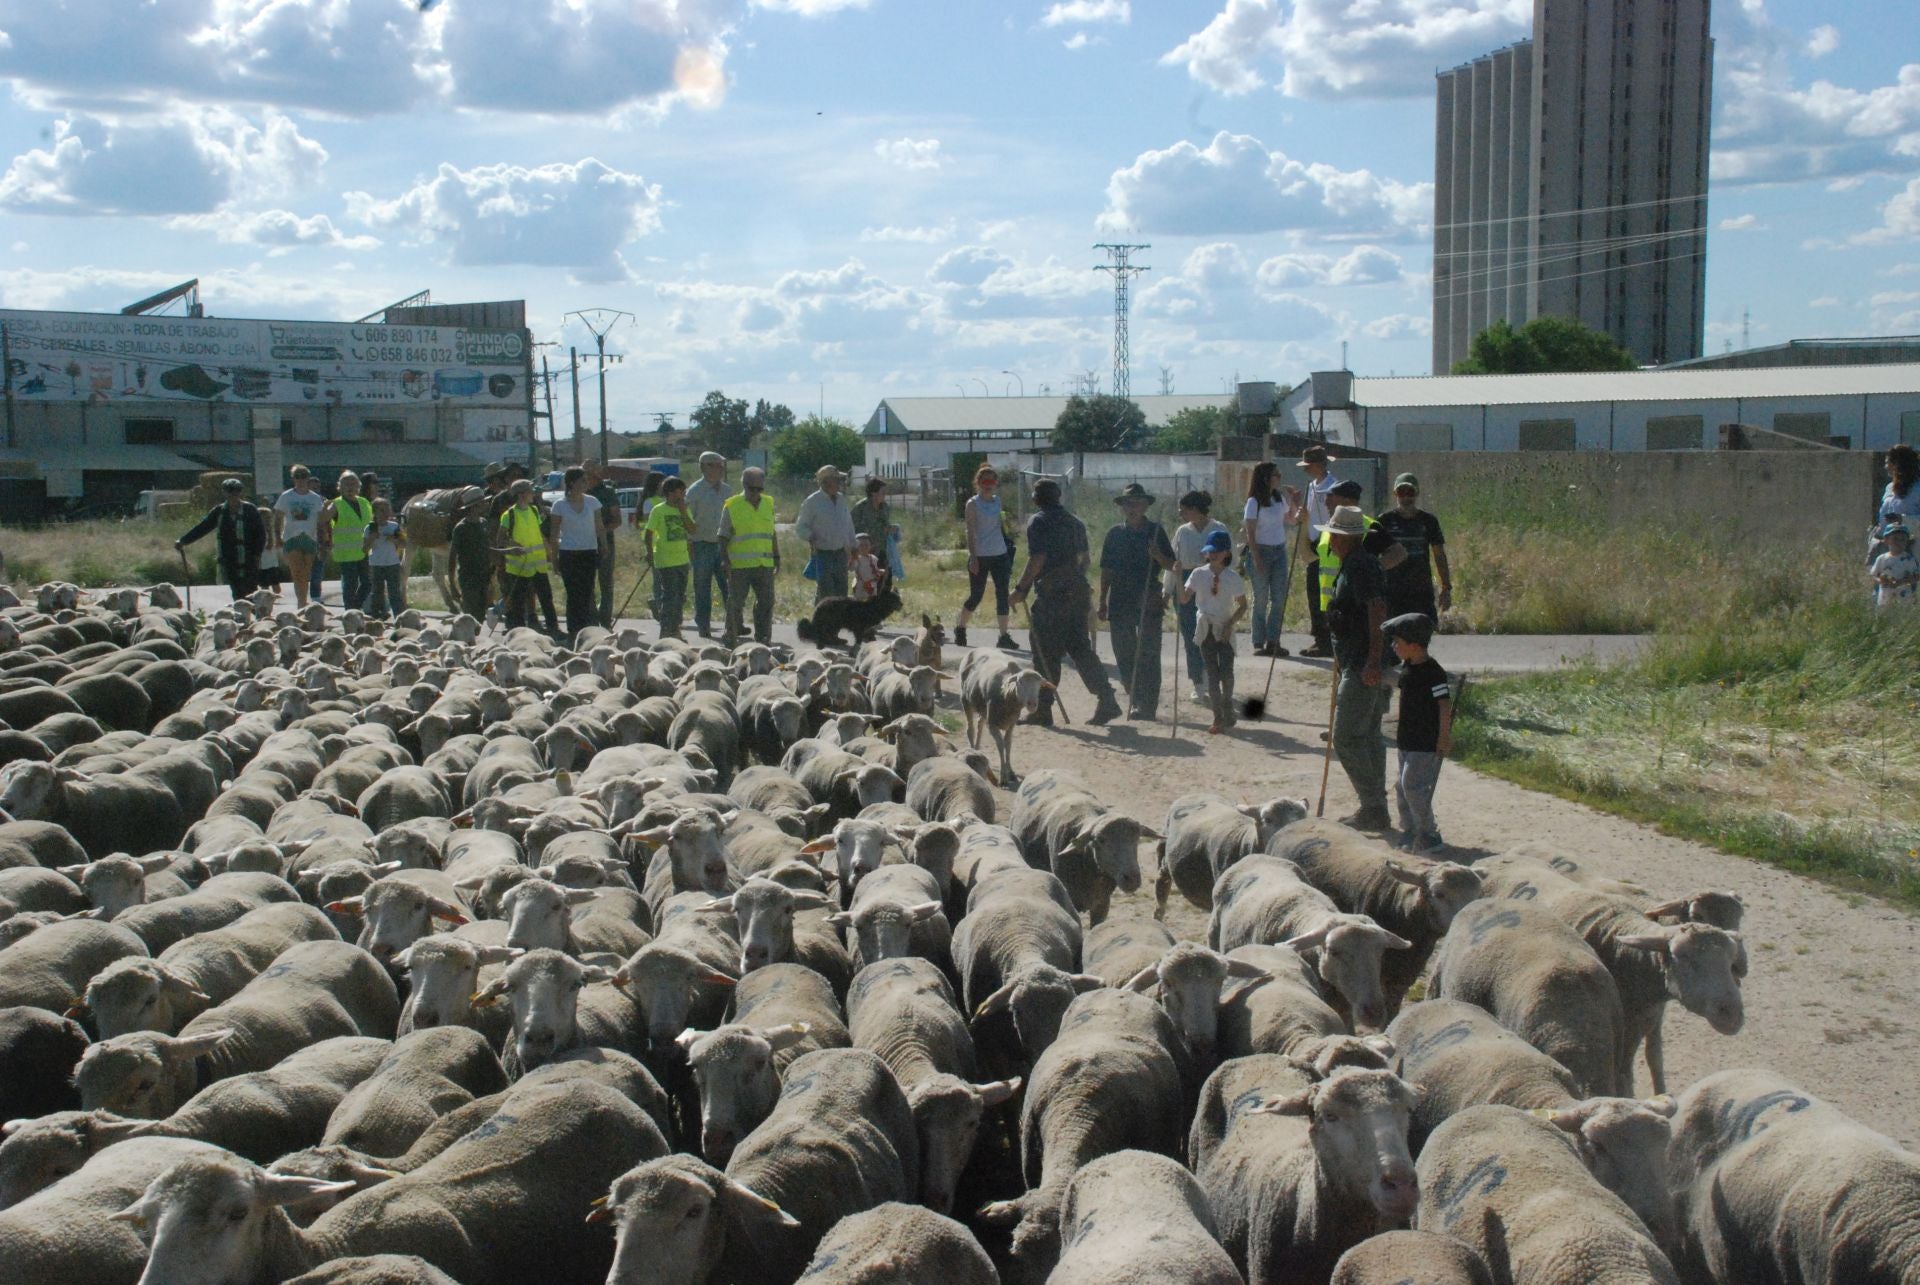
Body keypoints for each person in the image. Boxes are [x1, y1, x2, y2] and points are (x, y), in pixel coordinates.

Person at [1010, 478, 1124, 727]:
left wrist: (1021, 589)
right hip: (1077, 595)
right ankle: (1107, 699)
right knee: (1081, 649)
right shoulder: (1075, 522)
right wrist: (1075, 578)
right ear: (1059, 497)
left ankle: (1043, 709)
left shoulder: (1038, 521)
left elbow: (1038, 558)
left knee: (1045, 653)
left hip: (1053, 598)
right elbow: (1085, 559)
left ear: (1035, 499)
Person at [1325, 505, 1393, 832]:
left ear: (1345, 537)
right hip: (1358, 659)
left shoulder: (1361, 566)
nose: (1331, 540)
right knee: (1367, 735)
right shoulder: (1355, 564)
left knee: (1346, 738)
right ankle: (1375, 806)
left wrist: (1373, 660)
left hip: (1364, 664)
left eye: (1335, 535)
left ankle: (1373, 805)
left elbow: (1376, 609)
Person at [1099, 482, 1175, 721]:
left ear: (1145, 506)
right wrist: (1102, 599)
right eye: (1128, 503)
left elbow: (1172, 565)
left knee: (1149, 652)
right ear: (1122, 507)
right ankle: (1134, 698)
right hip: (1120, 597)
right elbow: (1107, 569)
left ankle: (1147, 705)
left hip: (1148, 596)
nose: (1133, 507)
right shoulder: (1114, 534)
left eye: (1138, 503)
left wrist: (1158, 555)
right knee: (1124, 652)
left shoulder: (1156, 531)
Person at [1384, 612, 1452, 853]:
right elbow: (1400, 684)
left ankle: (1429, 833)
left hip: (1425, 742)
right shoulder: (1408, 667)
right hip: (1406, 740)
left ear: (1413, 645)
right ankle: (1410, 829)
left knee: (1412, 785)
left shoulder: (1434, 672)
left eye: (1397, 643)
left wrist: (1443, 737)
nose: (1393, 647)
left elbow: (1444, 705)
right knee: (1402, 787)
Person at [1182, 529, 1247, 735]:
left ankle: (1227, 706)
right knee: (1212, 673)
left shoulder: (1233, 577)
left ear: (1227, 553)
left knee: (1226, 672)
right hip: (1205, 627)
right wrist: (1176, 576)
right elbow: (1184, 599)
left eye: (1218, 552)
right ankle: (1217, 717)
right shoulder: (1198, 574)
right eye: (1210, 552)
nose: (1213, 555)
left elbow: (1243, 605)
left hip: (1224, 627)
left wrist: (1230, 624)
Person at [1170, 490, 1229, 706]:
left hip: (1213, 583)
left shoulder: (1219, 529)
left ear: (1195, 509)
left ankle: (1212, 679)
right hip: (1187, 582)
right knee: (1191, 635)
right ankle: (1197, 683)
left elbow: (1229, 560)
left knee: (1212, 634)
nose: (1180, 513)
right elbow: (1174, 565)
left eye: (1184, 508)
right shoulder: (1182, 532)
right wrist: (1168, 591)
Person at [1243, 461, 1303, 658]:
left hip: (1279, 551)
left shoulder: (1278, 498)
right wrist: (1256, 557)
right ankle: (1258, 641)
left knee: (1279, 598)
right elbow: (1250, 532)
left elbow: (1292, 520)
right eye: (1276, 475)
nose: (1280, 478)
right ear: (1266, 478)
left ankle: (1274, 640)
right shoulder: (1254, 502)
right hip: (1260, 550)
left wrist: (1294, 501)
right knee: (1260, 598)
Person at [1375, 473, 1452, 624]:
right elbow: (1373, 556)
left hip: (1420, 590)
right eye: (1401, 492)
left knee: (1420, 636)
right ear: (1395, 494)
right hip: (1392, 591)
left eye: (1410, 492)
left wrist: (1446, 587)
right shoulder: (1384, 521)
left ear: (1416, 493)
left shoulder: (1429, 521)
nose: (1405, 497)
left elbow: (1439, 554)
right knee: (1392, 638)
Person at [955, 463, 1016, 650]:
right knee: (976, 595)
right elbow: (970, 531)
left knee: (1002, 594)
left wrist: (1009, 538)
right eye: (984, 481)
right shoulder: (973, 504)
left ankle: (1004, 635)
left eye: (992, 480)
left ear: (996, 483)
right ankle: (960, 627)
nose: (988, 484)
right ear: (978, 483)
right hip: (981, 555)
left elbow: (1002, 525)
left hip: (1000, 553)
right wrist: (973, 557)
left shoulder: (997, 501)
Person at [177, 478, 267, 599]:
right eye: (229, 491)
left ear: (240, 493)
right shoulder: (219, 511)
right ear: (224, 493)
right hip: (229, 558)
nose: (233, 495)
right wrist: (183, 541)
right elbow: (203, 527)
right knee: (236, 591)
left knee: (251, 590)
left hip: (249, 557)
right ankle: (241, 616)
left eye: (236, 491)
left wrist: (257, 554)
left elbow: (260, 534)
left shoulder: (250, 510)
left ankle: (258, 615)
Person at [720, 466, 779, 644]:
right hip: (740, 566)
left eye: (759, 489)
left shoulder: (768, 503)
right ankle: (730, 635)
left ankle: (763, 638)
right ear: (743, 485)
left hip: (764, 564)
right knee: (736, 603)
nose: (756, 493)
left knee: (766, 602)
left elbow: (771, 533)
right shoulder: (732, 505)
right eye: (752, 488)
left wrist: (777, 556)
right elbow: (722, 536)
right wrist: (725, 561)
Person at [498, 478, 559, 635]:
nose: (534, 494)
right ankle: (519, 632)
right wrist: (514, 545)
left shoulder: (533, 511)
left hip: (538, 565)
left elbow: (539, 534)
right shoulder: (508, 515)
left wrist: (550, 554)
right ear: (521, 494)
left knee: (546, 598)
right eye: (531, 491)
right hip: (520, 566)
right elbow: (501, 539)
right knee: (518, 602)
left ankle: (553, 629)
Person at [551, 466, 604, 640]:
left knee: (587, 591)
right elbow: (554, 533)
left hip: (588, 552)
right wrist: (554, 558)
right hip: (569, 553)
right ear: (572, 483)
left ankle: (588, 629)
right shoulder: (559, 505)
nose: (586, 483)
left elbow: (599, 527)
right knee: (573, 593)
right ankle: (574, 631)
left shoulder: (592, 501)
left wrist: (603, 546)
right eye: (583, 480)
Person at [685, 451, 732, 637]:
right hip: (701, 545)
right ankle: (703, 625)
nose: (721, 468)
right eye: (717, 465)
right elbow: (687, 522)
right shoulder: (694, 491)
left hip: (723, 545)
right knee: (702, 587)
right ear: (705, 467)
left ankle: (732, 625)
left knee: (728, 586)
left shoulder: (728, 491)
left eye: (722, 465)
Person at [796, 464, 856, 601]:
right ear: (826, 482)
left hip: (841, 554)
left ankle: (838, 622)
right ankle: (822, 621)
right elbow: (800, 527)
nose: (841, 483)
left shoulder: (841, 499)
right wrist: (811, 536)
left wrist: (854, 546)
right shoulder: (812, 501)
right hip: (823, 554)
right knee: (826, 592)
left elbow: (848, 525)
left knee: (841, 593)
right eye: (837, 480)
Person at [643, 475, 693, 638]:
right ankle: (666, 629)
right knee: (670, 595)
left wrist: (683, 511)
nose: (682, 495)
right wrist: (650, 553)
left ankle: (675, 627)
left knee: (680, 595)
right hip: (665, 559)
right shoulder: (659, 510)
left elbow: (692, 529)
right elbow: (648, 533)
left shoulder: (684, 509)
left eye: (683, 492)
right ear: (670, 493)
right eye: (679, 492)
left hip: (682, 559)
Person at [320, 471, 374, 611]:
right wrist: (324, 510)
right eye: (346, 484)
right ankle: (350, 611)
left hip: (365, 550)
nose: (350, 487)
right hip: (346, 552)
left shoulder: (364, 502)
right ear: (340, 487)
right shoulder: (336, 504)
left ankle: (354, 608)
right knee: (350, 584)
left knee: (368, 583)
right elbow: (324, 519)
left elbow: (371, 523)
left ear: (359, 487)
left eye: (353, 484)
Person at [272, 465, 324, 609]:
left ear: (308, 478)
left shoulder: (315, 498)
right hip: (291, 537)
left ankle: (303, 600)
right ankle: (301, 603)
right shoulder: (286, 496)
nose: (300, 479)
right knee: (297, 571)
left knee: (306, 573)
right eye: (297, 476)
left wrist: (322, 541)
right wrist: (277, 536)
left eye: (303, 476)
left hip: (310, 537)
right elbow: (278, 517)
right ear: (293, 478)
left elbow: (320, 521)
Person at [584, 460, 623, 628]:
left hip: (605, 541)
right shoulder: (579, 493)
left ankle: (605, 619)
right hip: (584, 543)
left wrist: (601, 531)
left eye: (590, 471)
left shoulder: (607, 492)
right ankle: (592, 619)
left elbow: (617, 520)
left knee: (606, 582)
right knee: (587, 582)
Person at [446, 495, 495, 621]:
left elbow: (487, 549)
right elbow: (452, 557)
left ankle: (476, 640)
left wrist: (507, 552)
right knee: (469, 618)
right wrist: (452, 585)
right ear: (473, 507)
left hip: (484, 576)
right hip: (469, 578)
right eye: (482, 503)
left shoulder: (483, 523)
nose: (485, 505)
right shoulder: (461, 528)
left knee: (481, 616)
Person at [364, 498, 408, 619]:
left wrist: (395, 540)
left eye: (388, 510)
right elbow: (364, 549)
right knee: (377, 593)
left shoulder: (395, 526)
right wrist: (371, 538)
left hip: (392, 563)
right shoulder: (369, 528)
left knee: (394, 592)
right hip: (376, 564)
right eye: (382, 511)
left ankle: (398, 616)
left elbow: (404, 543)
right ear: (375, 512)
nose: (386, 514)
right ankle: (377, 616)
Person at [1871, 521, 1918, 607]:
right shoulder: (1882, 558)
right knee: (1884, 617)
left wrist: (1902, 582)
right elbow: (1874, 575)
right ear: (1886, 540)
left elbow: (1916, 576)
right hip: (1885, 596)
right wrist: (1881, 580)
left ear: (1907, 541)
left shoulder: (1909, 559)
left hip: (1904, 598)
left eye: (1903, 539)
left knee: (1903, 617)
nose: (1899, 542)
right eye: (1895, 539)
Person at [850, 532, 883, 601]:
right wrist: (853, 558)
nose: (864, 547)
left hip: (872, 585)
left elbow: (876, 570)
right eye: (861, 545)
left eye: (866, 545)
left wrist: (881, 571)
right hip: (861, 586)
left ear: (870, 546)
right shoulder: (857, 559)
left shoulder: (873, 558)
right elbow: (852, 568)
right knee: (861, 603)